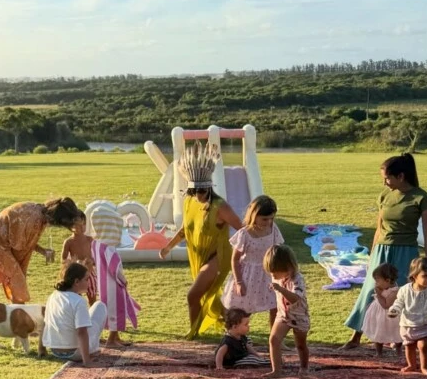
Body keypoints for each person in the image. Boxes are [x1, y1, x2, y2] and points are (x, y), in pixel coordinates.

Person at [343, 152, 427, 348]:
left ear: (401, 176)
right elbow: (379, 227)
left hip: (406, 251)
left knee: (401, 293)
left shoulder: (421, 198)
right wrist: (371, 254)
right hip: (382, 250)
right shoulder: (384, 195)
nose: (385, 183)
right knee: (370, 291)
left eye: (387, 178)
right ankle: (356, 337)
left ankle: (399, 339)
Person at [159, 142, 243, 338]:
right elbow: (185, 229)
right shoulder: (189, 201)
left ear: (209, 187)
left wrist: (248, 253)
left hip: (218, 256)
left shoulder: (220, 206)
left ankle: (194, 332)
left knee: (193, 295)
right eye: (196, 190)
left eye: (203, 190)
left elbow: (241, 229)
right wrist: (167, 247)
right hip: (199, 256)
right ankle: (233, 324)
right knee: (210, 299)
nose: (199, 194)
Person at [0, 197, 80, 303]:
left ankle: (18, 305)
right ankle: (19, 307)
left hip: (3, 240)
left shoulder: (41, 214)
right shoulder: (31, 218)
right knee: (16, 275)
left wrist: (43, 251)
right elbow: (19, 246)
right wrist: (16, 272)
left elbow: (27, 241)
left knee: (17, 276)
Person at [62, 212, 140, 346]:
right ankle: (94, 333)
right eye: (77, 225)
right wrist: (74, 263)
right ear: (71, 227)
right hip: (77, 276)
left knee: (95, 303)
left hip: (90, 274)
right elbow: (63, 259)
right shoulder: (69, 242)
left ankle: (101, 333)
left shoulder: (91, 241)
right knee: (83, 303)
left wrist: (91, 262)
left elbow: (97, 258)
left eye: (83, 224)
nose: (81, 227)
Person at [222, 195, 284, 327]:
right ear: (254, 215)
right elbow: (235, 259)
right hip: (248, 276)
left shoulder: (273, 229)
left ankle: (274, 337)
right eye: (264, 219)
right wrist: (239, 282)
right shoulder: (244, 234)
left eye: (271, 218)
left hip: (269, 275)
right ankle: (235, 333)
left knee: (276, 305)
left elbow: (277, 250)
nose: (268, 222)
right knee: (244, 310)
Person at [41, 261, 107, 365]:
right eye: (86, 279)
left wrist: (42, 349)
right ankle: (90, 350)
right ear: (76, 282)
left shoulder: (53, 296)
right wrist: (87, 361)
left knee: (85, 318)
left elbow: (45, 323)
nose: (89, 283)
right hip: (75, 353)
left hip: (55, 351)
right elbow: (82, 332)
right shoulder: (78, 301)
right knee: (100, 306)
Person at [264, 244, 310, 378]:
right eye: (270, 271)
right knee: (273, 340)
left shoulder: (297, 279)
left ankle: (304, 367)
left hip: (299, 316)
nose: (272, 275)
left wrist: (280, 289)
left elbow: (295, 298)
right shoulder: (277, 277)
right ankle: (276, 370)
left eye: (275, 271)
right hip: (283, 315)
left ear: (288, 267)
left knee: (300, 345)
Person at [361, 262, 402, 359]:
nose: (376, 283)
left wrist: (378, 294)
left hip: (390, 315)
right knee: (378, 332)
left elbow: (386, 305)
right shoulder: (382, 287)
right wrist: (370, 306)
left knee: (397, 332)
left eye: (377, 280)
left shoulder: (394, 291)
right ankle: (379, 352)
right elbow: (377, 301)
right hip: (378, 315)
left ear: (387, 280)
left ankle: (399, 350)